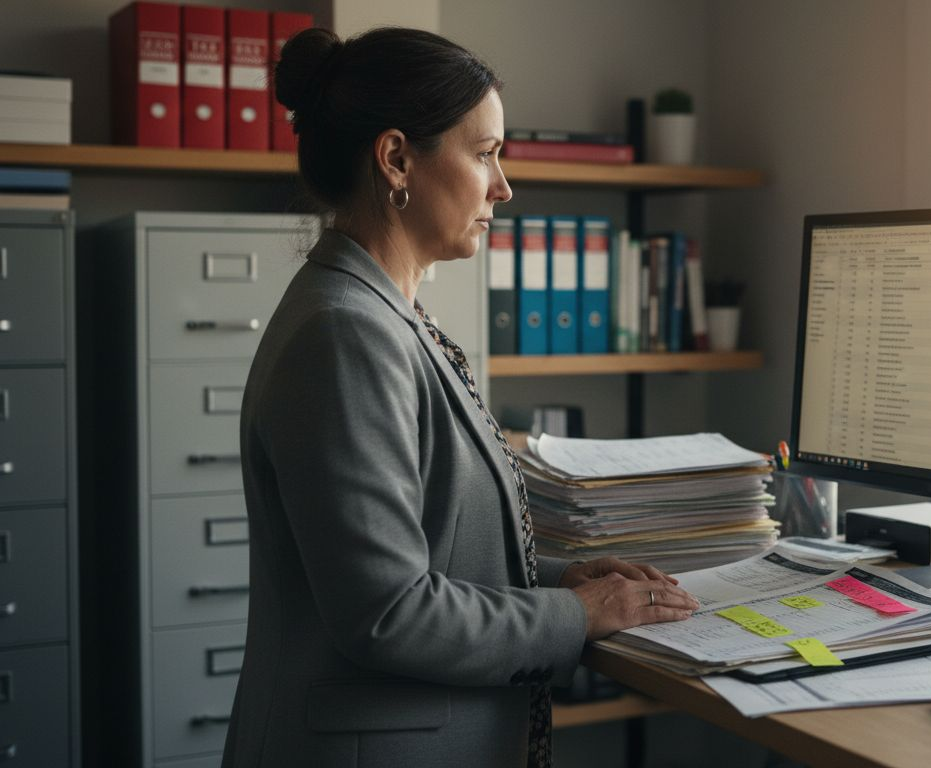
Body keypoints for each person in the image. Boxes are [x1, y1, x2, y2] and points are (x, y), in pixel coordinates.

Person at [222, 26, 700, 768]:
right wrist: (576, 615)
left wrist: (555, 586)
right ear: (396, 158)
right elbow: (387, 610)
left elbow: (432, 547)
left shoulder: (384, 315)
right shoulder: (347, 335)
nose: (503, 187)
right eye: (484, 155)